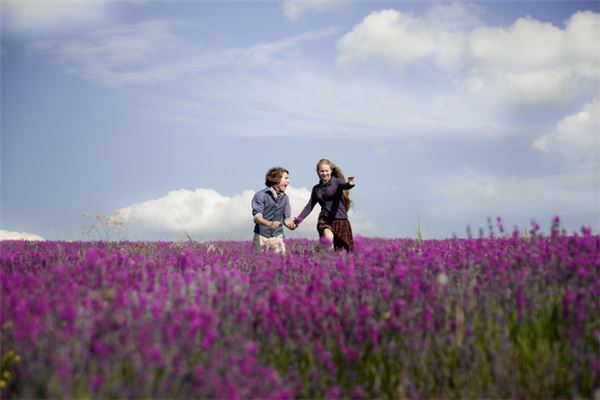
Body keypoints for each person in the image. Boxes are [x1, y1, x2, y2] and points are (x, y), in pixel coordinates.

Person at [294, 159, 355, 251]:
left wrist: (350, 184)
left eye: (326, 171)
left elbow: (346, 185)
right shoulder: (316, 189)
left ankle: (319, 251)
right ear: (318, 172)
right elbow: (309, 206)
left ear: (331, 171)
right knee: (328, 241)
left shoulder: (337, 182)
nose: (324, 173)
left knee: (340, 251)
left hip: (341, 221)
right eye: (322, 171)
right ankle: (322, 249)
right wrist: (298, 219)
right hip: (325, 220)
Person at [251, 167, 296, 254]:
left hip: (278, 236)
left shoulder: (285, 198)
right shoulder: (261, 195)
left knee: (281, 264)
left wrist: (291, 225)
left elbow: (286, 219)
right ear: (277, 180)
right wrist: (270, 223)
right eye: (286, 178)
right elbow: (257, 217)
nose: (288, 181)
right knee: (259, 264)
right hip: (261, 236)